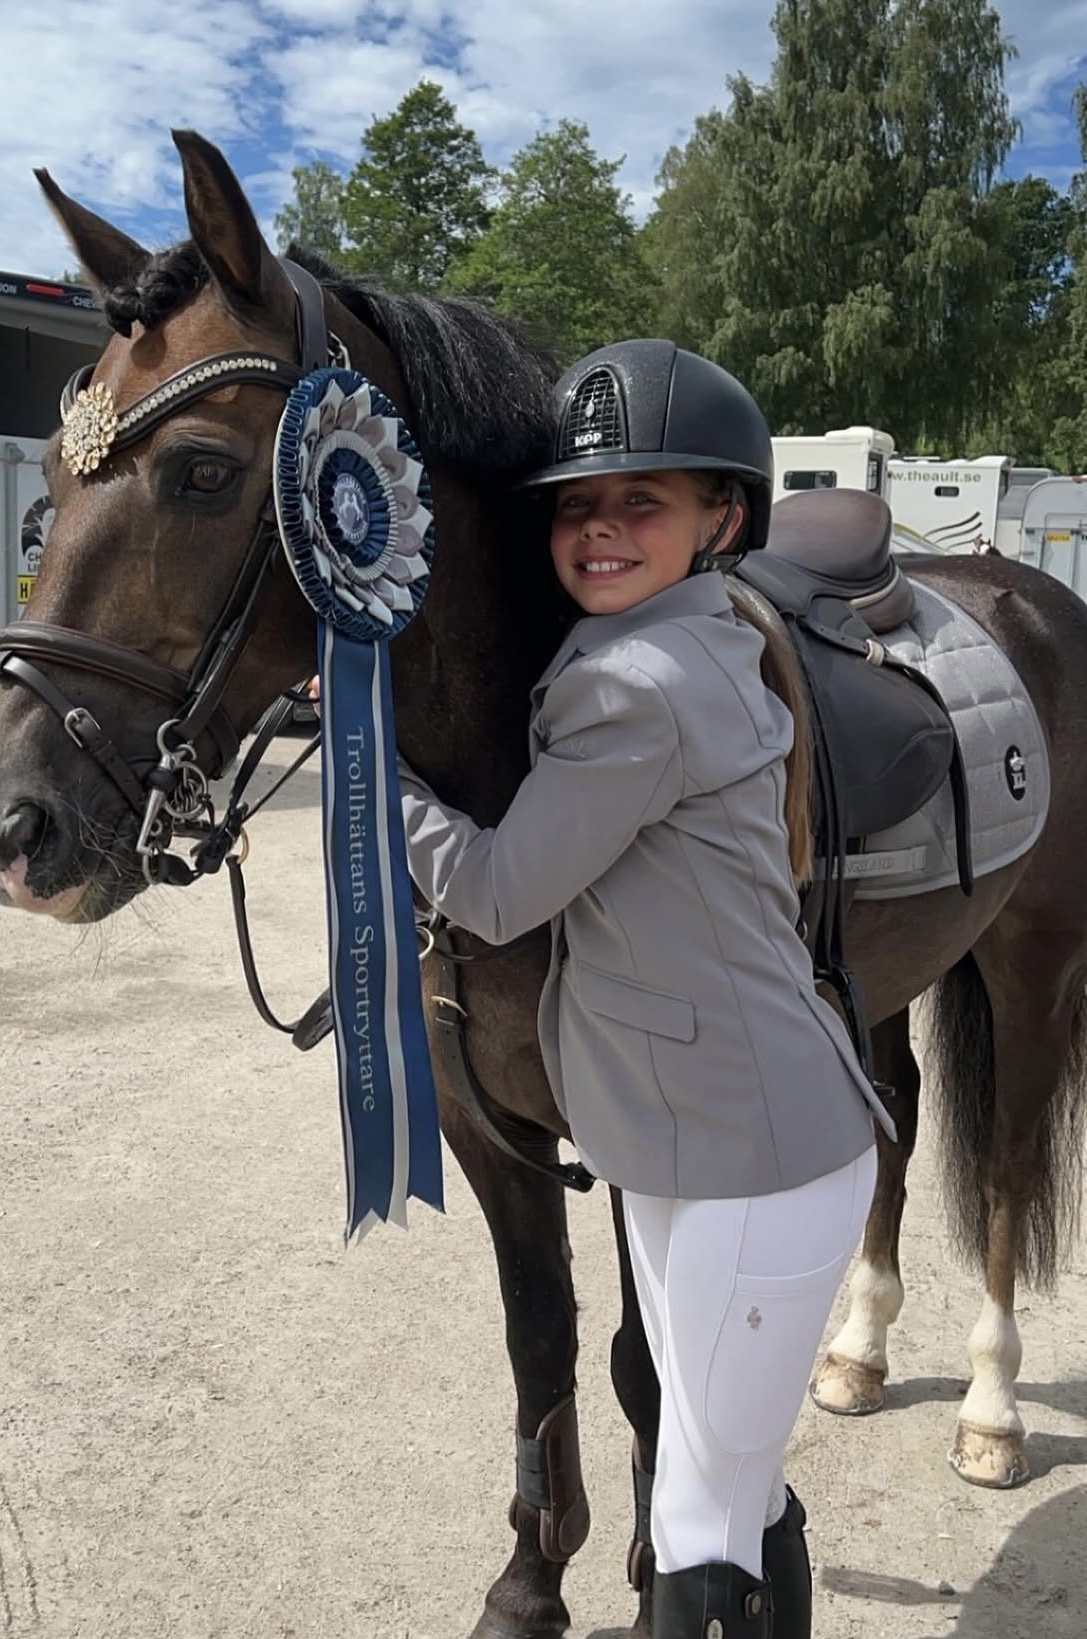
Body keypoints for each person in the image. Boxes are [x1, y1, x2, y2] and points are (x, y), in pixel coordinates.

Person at [396, 341, 894, 1638]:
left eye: (642, 502)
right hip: (699, 1139)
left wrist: (370, 787)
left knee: (695, 1511)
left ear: (722, 517)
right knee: (731, 1474)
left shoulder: (634, 682)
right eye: (577, 505)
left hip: (748, 1156)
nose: (601, 529)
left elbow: (498, 893)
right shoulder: (700, 629)